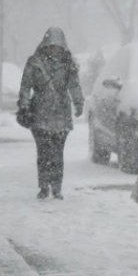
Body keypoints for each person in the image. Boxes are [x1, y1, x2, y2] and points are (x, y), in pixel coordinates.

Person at [17, 27, 84, 200]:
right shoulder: (35, 62)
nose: (54, 48)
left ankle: (56, 187)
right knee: (44, 153)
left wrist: (79, 102)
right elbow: (25, 86)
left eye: (57, 45)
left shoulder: (68, 63)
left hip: (61, 113)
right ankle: (44, 186)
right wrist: (24, 106)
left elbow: (74, 85)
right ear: (45, 44)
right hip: (40, 114)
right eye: (51, 45)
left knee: (57, 153)